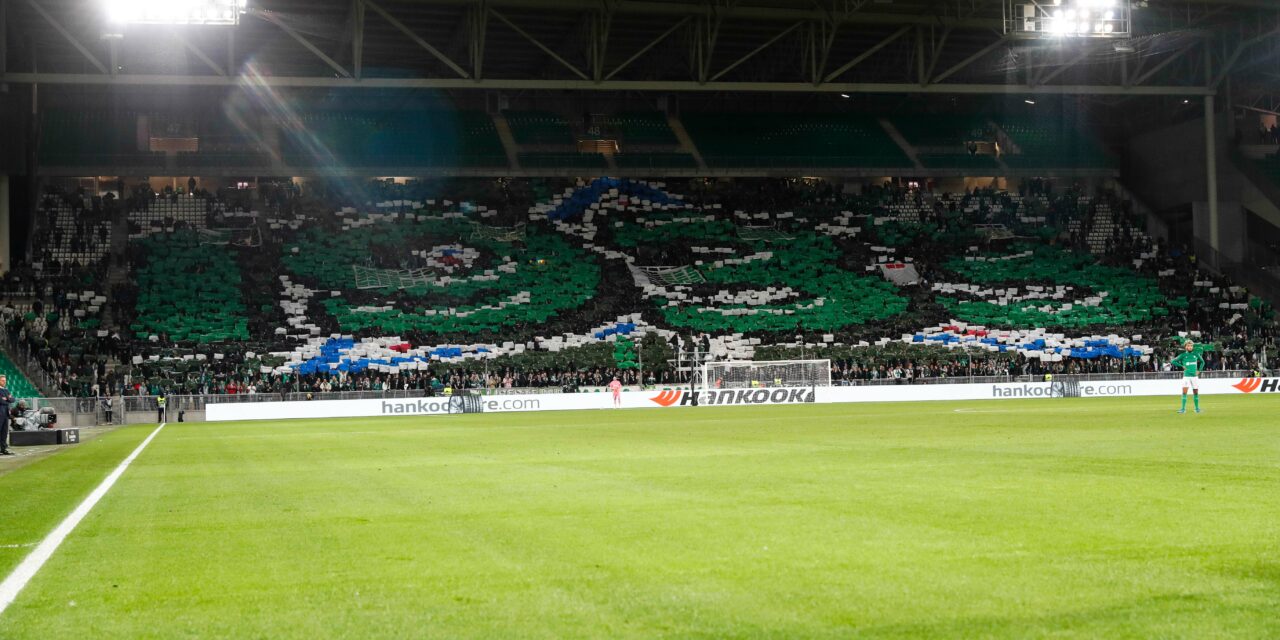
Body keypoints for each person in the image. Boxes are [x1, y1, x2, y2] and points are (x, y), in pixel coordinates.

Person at [1170, 340, 1205, 414]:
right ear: (1185, 347)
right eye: (1188, 346)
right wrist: (1181, 366)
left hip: (1194, 377)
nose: (1190, 347)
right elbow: (1173, 361)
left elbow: (1202, 362)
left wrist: (1199, 370)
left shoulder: (1196, 354)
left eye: (1191, 346)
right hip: (1186, 376)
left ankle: (1197, 409)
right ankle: (1183, 409)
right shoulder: (1183, 355)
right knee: (1184, 392)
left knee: (1196, 392)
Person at [0, 375, 12, 455]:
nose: (4, 382)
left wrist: (6, 398)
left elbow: (12, 399)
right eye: (3, 380)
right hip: (0, 413)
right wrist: (8, 399)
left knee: (4, 432)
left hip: (6, 413)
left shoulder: (6, 390)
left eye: (5, 380)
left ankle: (3, 449)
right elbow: (1, 401)